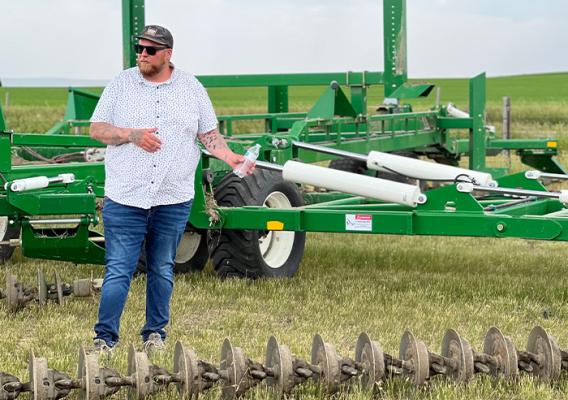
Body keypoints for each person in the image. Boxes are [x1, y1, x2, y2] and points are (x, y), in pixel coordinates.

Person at [89, 25, 254, 353]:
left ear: (168, 54)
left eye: (150, 50)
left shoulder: (191, 87)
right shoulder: (121, 84)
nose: (142, 55)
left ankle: (155, 334)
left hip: (173, 197)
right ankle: (104, 339)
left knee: (162, 267)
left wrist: (229, 156)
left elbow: (208, 136)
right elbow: (97, 129)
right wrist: (132, 135)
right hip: (126, 195)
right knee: (120, 269)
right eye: (140, 48)